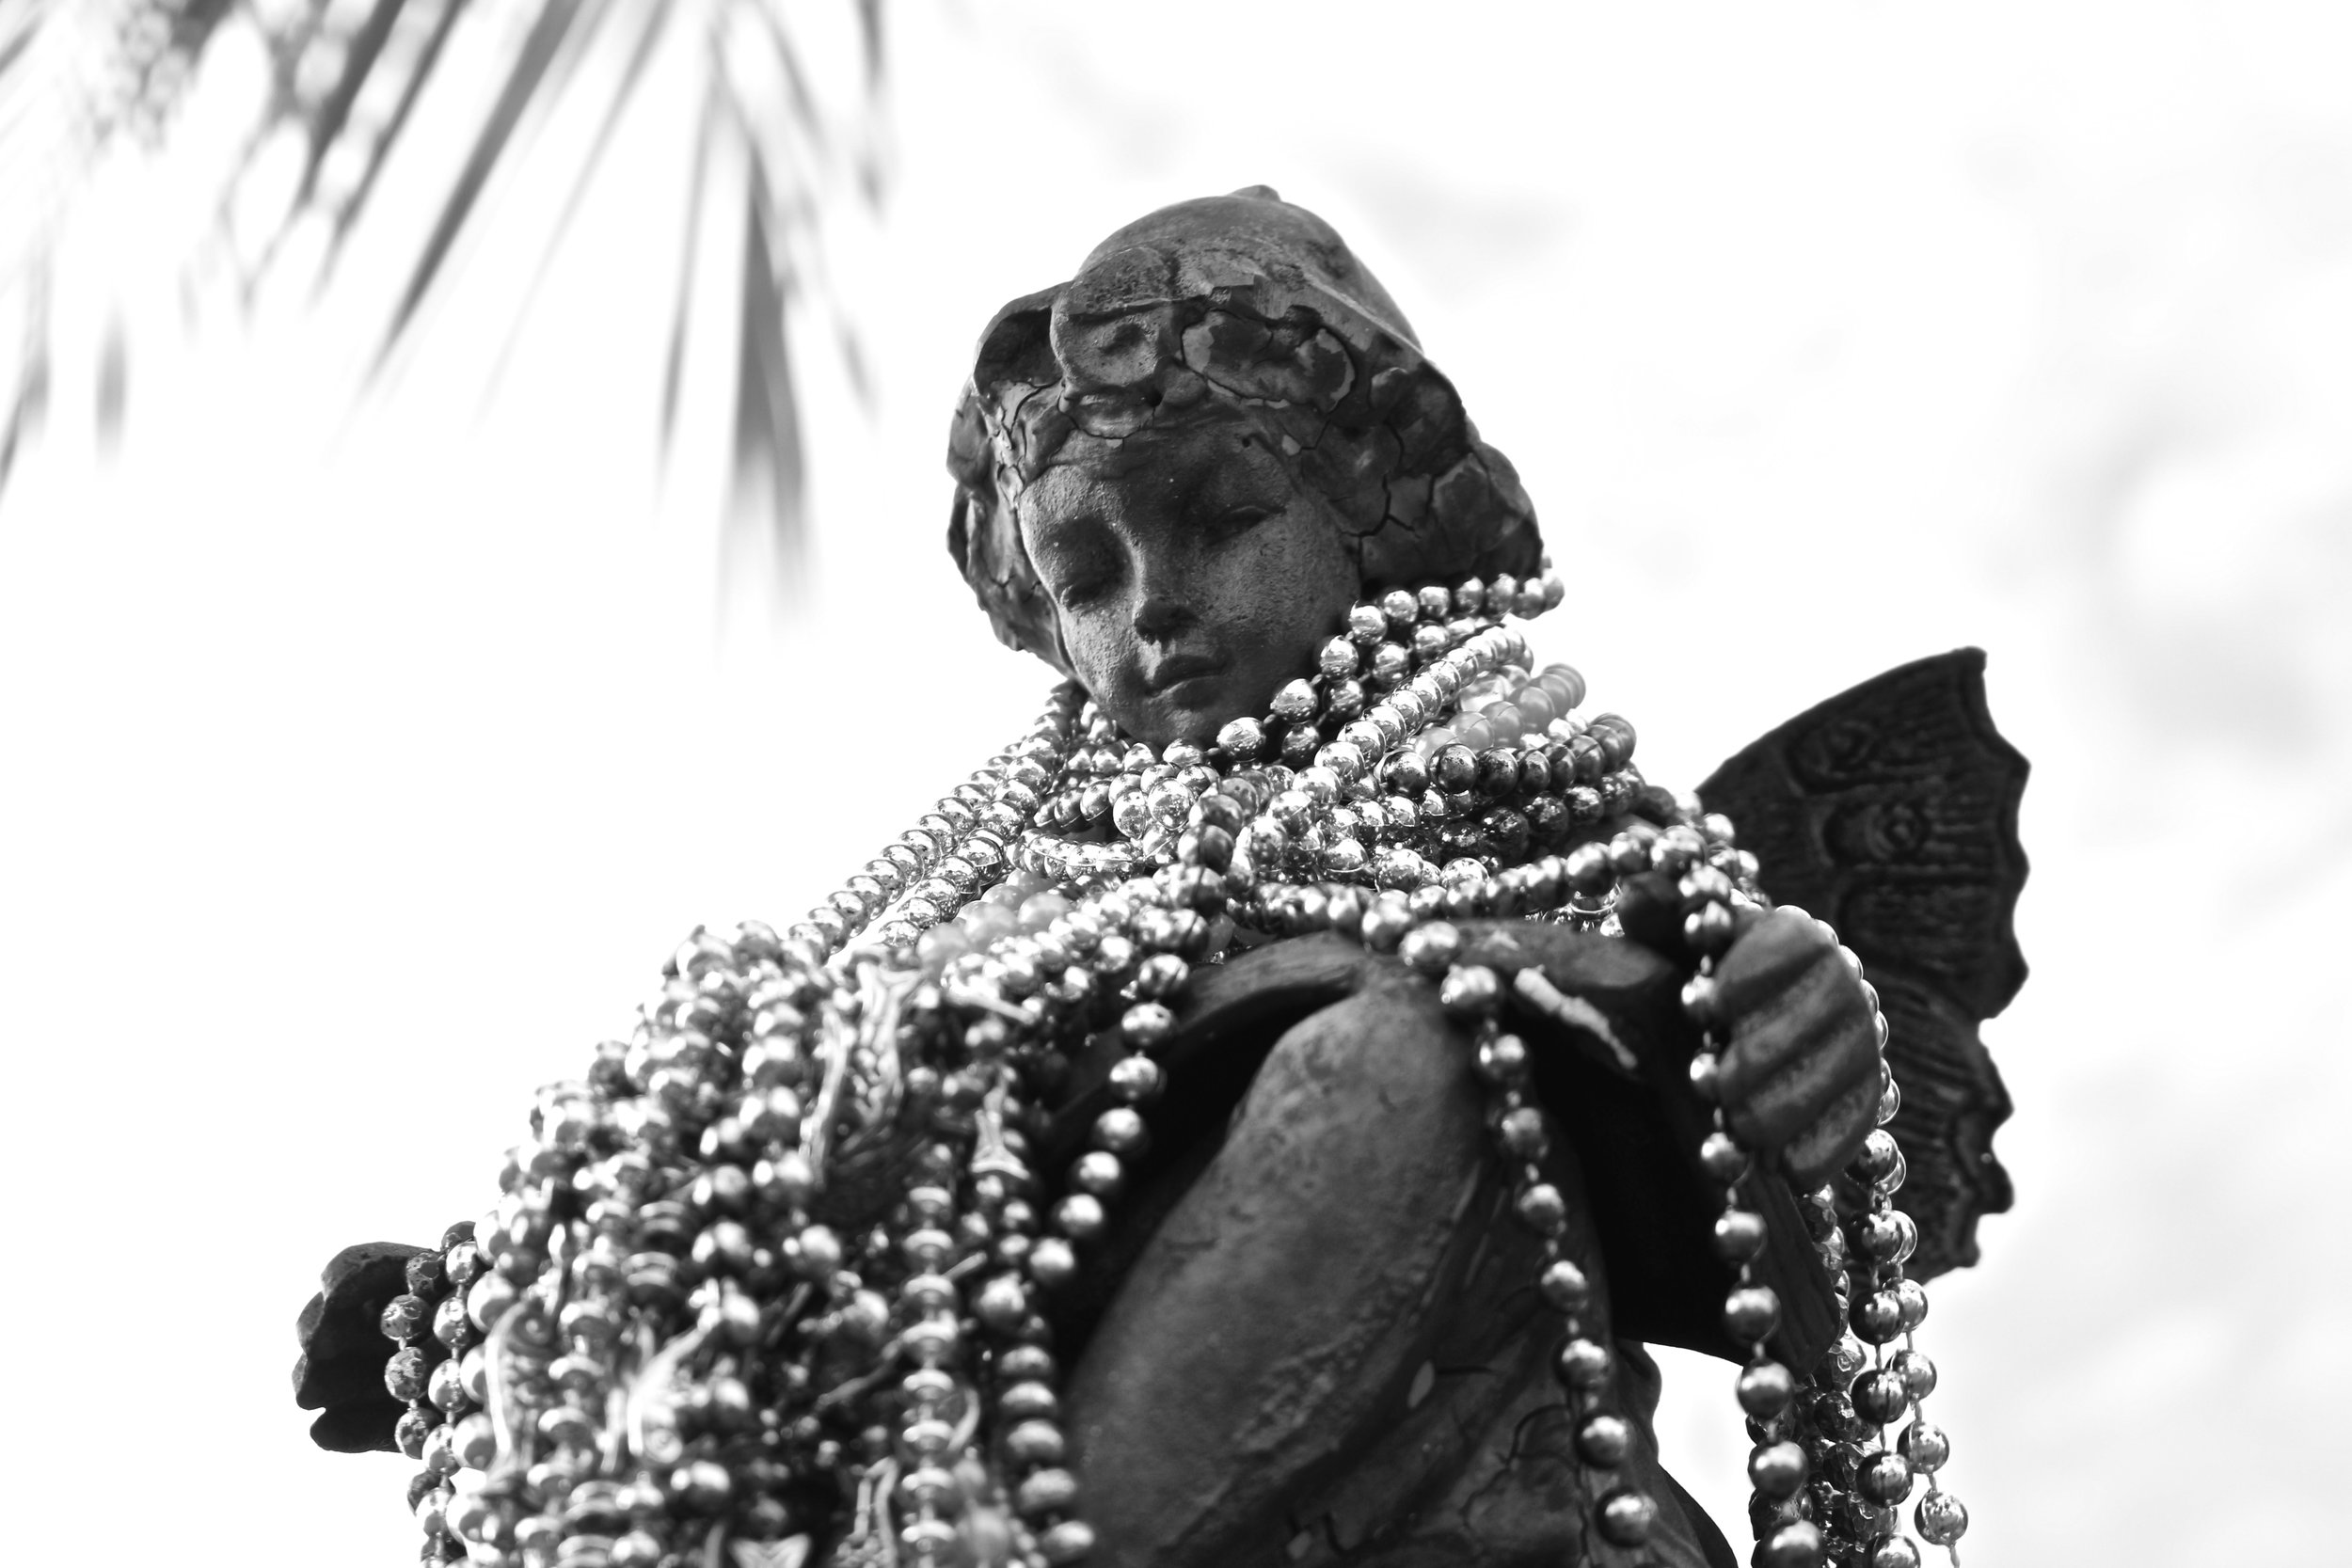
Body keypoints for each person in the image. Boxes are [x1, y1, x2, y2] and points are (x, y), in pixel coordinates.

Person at [297, 189, 2011, 1568]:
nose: (1155, 608)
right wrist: (502, 1284)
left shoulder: (1511, 775)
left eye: (1218, 516)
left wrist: (1791, 1026)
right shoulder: (1006, 878)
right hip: (1001, 1417)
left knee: (1397, 1053)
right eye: (1091, 572)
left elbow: (1705, 1028)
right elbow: (796, 1136)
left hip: (1459, 1478)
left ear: (1363, 508)